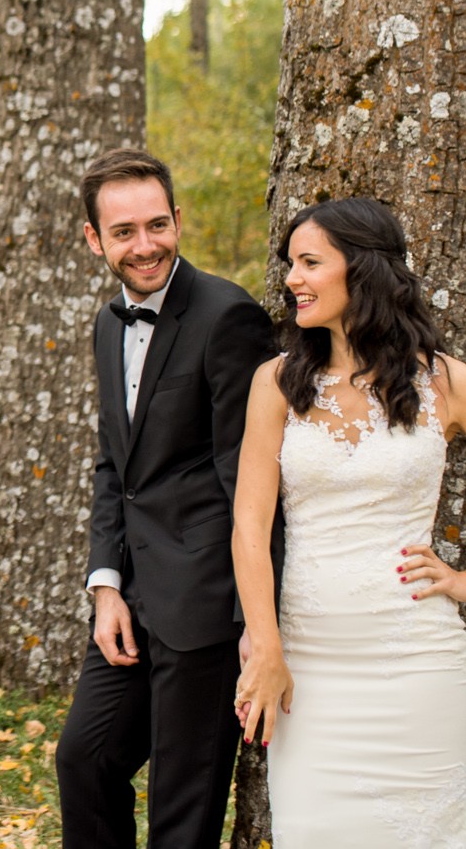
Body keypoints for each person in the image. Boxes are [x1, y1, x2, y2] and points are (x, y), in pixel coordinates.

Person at [230, 198, 466, 848]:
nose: (292, 279)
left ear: (362, 269)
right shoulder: (275, 383)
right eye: (290, 265)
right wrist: (267, 647)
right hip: (308, 665)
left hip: (416, 663)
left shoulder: (445, 382)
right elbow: (249, 526)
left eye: (309, 262)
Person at [56, 148, 278, 848]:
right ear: (95, 238)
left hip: (208, 604)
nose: (144, 244)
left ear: (177, 219)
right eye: (124, 231)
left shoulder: (227, 316)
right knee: (84, 760)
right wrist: (104, 583)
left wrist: (255, 624)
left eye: (157, 224)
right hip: (133, 599)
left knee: (182, 813)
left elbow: (253, 482)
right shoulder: (104, 324)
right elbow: (113, 465)